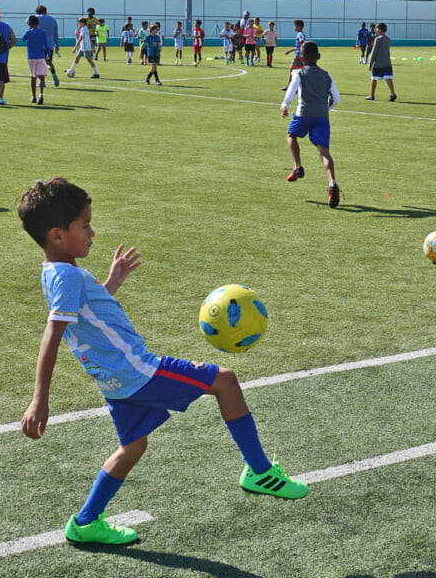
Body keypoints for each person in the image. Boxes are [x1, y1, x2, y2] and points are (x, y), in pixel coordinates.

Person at [17, 178, 309, 545]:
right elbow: (53, 335)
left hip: (115, 380)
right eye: (85, 226)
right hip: (138, 371)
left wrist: (111, 284)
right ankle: (260, 472)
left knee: (132, 447)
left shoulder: (54, 273)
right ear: (58, 235)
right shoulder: (68, 276)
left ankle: (86, 522)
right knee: (225, 380)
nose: (92, 233)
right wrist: (39, 399)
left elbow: (87, 317)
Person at [280, 40, 341, 209]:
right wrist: (326, 108)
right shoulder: (327, 75)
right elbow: (336, 98)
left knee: (291, 135)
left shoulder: (298, 73)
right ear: (319, 56)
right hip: (322, 117)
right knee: (324, 153)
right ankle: (332, 182)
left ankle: (297, 166)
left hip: (303, 114)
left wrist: (285, 105)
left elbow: (291, 90)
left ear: (301, 58)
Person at [366, 22, 396, 101]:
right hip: (387, 63)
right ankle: (393, 93)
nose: (376, 30)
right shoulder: (387, 39)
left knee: (374, 79)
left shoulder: (377, 39)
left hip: (378, 64)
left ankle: (372, 95)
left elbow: (374, 52)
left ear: (380, 30)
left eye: (377, 29)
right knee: (388, 78)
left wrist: (370, 64)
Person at [22, 14, 48, 105]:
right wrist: (48, 54)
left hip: (31, 56)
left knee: (33, 76)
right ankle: (41, 94)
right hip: (41, 56)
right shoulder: (43, 32)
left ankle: (33, 96)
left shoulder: (28, 32)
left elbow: (23, 38)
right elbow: (46, 44)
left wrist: (28, 29)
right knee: (41, 76)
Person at [35, 5, 60, 87]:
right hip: (49, 45)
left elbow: (27, 21)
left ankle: (42, 82)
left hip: (38, 45)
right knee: (48, 62)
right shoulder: (53, 19)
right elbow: (55, 33)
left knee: (39, 64)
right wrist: (57, 45)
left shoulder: (36, 18)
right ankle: (54, 74)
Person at [281, 19, 306, 90]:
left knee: (292, 70)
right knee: (302, 71)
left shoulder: (300, 34)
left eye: (295, 26)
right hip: (301, 56)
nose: (294, 28)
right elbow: (299, 46)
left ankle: (289, 86)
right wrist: (290, 51)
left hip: (298, 56)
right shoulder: (301, 34)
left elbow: (302, 43)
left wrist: (300, 54)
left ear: (299, 27)